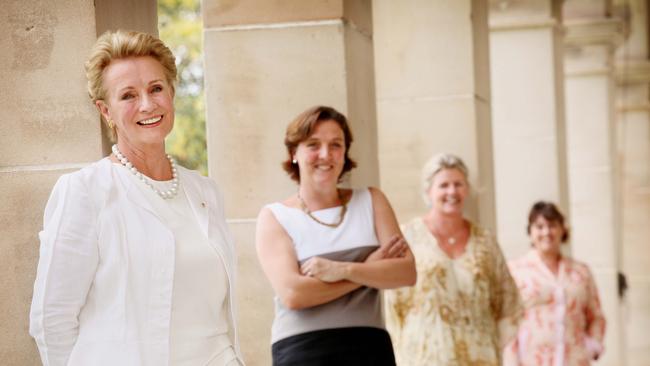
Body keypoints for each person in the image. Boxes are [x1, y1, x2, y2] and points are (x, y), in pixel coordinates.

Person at [29, 30, 243, 366]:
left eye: (156, 88)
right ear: (106, 111)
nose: (147, 104)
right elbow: (51, 319)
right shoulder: (85, 192)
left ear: (171, 93)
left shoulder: (205, 192)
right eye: (128, 95)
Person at [255, 105, 417, 365]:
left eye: (335, 145)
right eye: (313, 144)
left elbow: (406, 273)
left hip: (369, 347)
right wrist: (370, 269)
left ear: (345, 153)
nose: (325, 154)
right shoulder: (275, 217)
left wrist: (343, 270)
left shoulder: (372, 201)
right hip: (303, 351)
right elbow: (294, 295)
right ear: (293, 153)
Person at [385, 153, 522, 365]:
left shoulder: (485, 240)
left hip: (480, 356)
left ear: (467, 190)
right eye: (444, 185)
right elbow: (392, 304)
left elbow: (506, 300)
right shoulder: (408, 237)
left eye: (458, 184)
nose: (452, 191)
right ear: (428, 192)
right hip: (425, 357)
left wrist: (489, 345)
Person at [504, 201, 606, 365]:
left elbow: (596, 316)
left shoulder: (580, 272)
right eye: (539, 226)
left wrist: (592, 346)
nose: (546, 232)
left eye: (552, 226)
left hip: (574, 359)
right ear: (530, 231)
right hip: (533, 359)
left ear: (562, 230)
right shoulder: (516, 271)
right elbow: (507, 320)